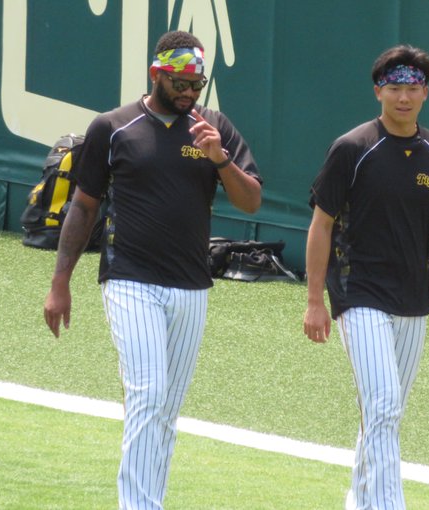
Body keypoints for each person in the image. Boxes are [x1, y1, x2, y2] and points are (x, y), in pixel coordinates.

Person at [43, 30, 262, 510]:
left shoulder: (214, 126)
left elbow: (251, 201)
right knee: (147, 393)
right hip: (129, 279)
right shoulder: (113, 127)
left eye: (196, 84)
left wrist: (220, 159)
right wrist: (60, 283)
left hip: (191, 286)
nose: (189, 92)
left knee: (165, 410)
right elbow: (84, 206)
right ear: (156, 74)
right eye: (179, 82)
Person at [302, 44, 429, 509]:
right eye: (394, 87)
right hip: (358, 294)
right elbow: (321, 224)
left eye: (413, 88)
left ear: (426, 94)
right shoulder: (352, 148)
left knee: (384, 415)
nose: (404, 97)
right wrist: (315, 301)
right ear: (378, 90)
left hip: (413, 300)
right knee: (382, 405)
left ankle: (359, 502)